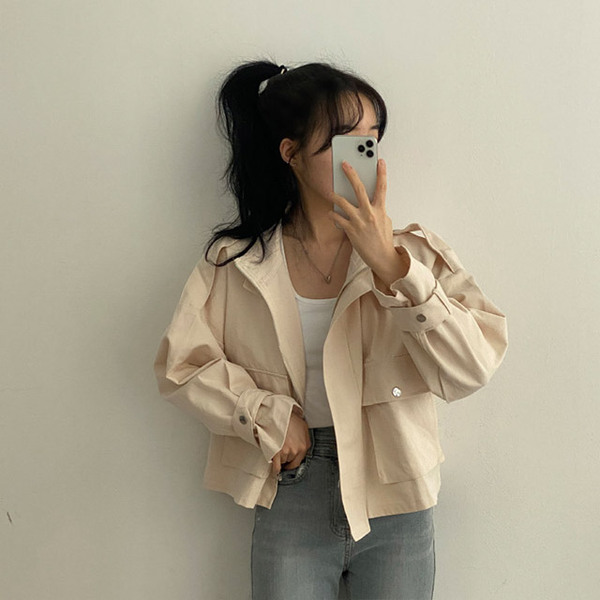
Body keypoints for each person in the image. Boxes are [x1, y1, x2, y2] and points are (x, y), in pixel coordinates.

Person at [154, 60, 508, 600]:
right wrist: (268, 416)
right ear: (291, 152)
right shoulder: (238, 262)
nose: (364, 153)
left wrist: (392, 267)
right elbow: (182, 365)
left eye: (373, 137)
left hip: (397, 491)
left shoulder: (414, 255)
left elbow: (472, 367)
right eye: (345, 139)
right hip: (290, 485)